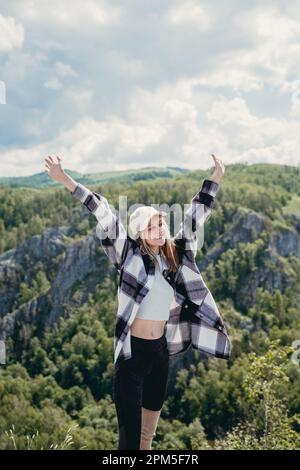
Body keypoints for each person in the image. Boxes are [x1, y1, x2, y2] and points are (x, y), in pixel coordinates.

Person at [44, 154, 231, 450]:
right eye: (152, 226)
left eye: (161, 223)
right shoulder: (128, 256)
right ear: (140, 232)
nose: (160, 229)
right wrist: (65, 180)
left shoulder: (176, 256)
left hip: (159, 354)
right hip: (132, 358)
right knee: (129, 442)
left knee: (147, 437)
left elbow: (196, 215)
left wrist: (216, 177)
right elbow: (103, 212)